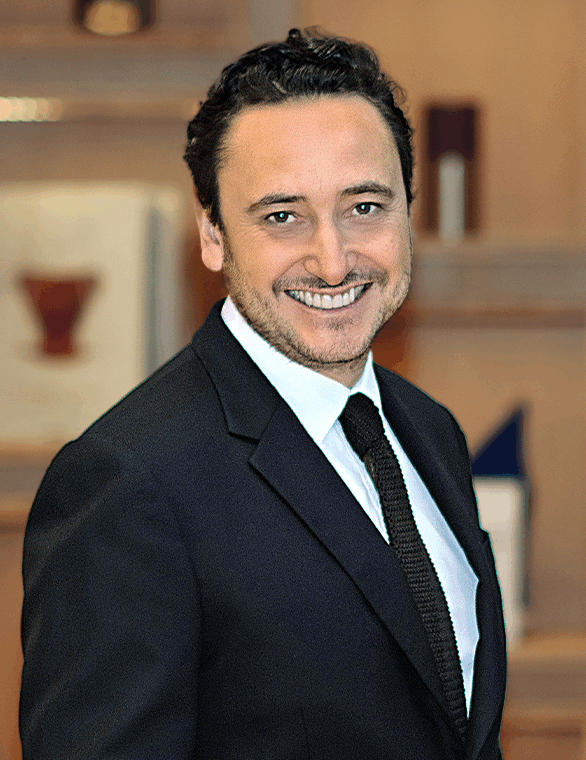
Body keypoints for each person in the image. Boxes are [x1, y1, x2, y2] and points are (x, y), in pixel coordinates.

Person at [20, 28, 506, 760]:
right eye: (282, 216)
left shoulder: (428, 429)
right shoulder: (126, 483)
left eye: (364, 206)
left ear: (410, 208)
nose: (333, 260)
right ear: (213, 234)